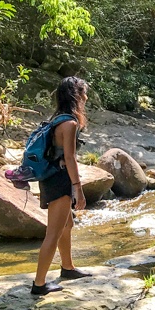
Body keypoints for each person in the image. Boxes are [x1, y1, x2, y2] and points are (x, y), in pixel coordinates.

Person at [31, 76, 91, 296]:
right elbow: (70, 157)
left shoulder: (57, 119)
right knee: (53, 233)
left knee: (67, 226)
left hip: (50, 177)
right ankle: (39, 284)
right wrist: (78, 188)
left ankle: (67, 267)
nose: (86, 97)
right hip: (60, 181)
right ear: (76, 96)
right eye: (83, 93)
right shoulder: (70, 124)